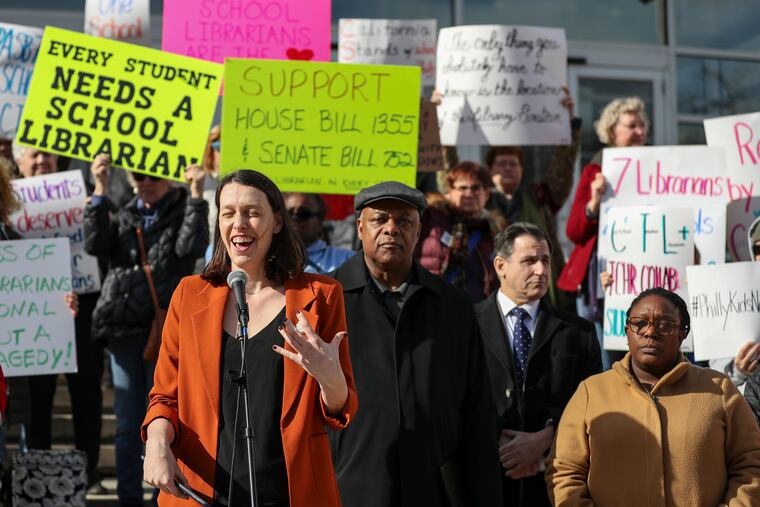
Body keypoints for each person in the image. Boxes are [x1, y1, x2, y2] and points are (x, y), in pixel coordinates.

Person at [142, 169, 357, 507]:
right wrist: (156, 444)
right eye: (228, 213)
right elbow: (165, 397)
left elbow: (340, 409)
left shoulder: (321, 295)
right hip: (200, 491)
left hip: (290, 493)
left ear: (276, 222)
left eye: (252, 212)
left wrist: (331, 379)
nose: (238, 223)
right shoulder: (189, 294)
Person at [329, 181, 502, 507]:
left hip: (433, 489)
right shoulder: (326, 300)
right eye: (380, 220)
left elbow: (477, 410)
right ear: (360, 228)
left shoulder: (453, 305)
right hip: (350, 489)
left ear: (419, 230)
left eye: (404, 221)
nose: (391, 229)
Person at [546, 287, 760, 505]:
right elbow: (563, 472)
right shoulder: (591, 392)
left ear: (682, 333)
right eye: (639, 323)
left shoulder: (719, 388)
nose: (650, 332)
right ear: (627, 331)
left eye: (664, 325)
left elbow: (751, 463)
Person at [84, 154, 209, 507]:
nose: (146, 182)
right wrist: (100, 189)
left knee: (164, 417)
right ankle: (128, 499)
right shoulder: (124, 213)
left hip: (165, 331)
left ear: (169, 179)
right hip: (124, 329)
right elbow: (95, 243)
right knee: (127, 423)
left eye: (154, 175)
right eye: (139, 175)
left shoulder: (185, 208)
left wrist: (198, 195)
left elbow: (191, 248)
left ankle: (160, 496)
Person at [475, 222, 601, 507]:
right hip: (486, 484)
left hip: (554, 487)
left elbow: (593, 406)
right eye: (530, 261)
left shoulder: (579, 333)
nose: (542, 270)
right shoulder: (466, 325)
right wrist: (502, 448)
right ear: (500, 266)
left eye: (545, 260)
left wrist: (547, 438)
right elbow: (453, 400)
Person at [9, 145, 105, 489]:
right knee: (36, 401)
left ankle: (88, 471)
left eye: (47, 155)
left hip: (82, 311)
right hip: (33, 318)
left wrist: (93, 207)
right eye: (33, 155)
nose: (41, 161)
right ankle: (36, 474)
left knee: (86, 395)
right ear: (18, 162)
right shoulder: (9, 209)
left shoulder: (79, 198)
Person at [557, 97, 649, 369]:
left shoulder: (658, 170)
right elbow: (573, 231)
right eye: (632, 125)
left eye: (643, 126)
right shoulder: (596, 170)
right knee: (606, 363)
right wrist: (593, 203)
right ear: (612, 131)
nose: (640, 132)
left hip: (645, 275)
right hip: (602, 284)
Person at [485, 89, 580, 312]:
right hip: (491, 292)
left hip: (540, 297)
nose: (507, 168)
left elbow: (562, 170)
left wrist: (569, 125)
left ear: (522, 169)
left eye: (513, 163)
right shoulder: (477, 201)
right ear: (490, 170)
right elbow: (449, 175)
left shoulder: (539, 199)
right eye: (501, 163)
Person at [415, 161, 506, 302]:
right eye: (462, 188)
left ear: (487, 193)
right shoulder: (429, 217)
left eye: (476, 188)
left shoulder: (497, 232)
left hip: (477, 313)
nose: (468, 194)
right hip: (433, 306)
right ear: (450, 191)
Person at [284, 192, 354, 274]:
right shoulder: (271, 259)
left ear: (319, 221)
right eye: (288, 213)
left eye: (304, 213)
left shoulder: (346, 259)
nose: (294, 218)